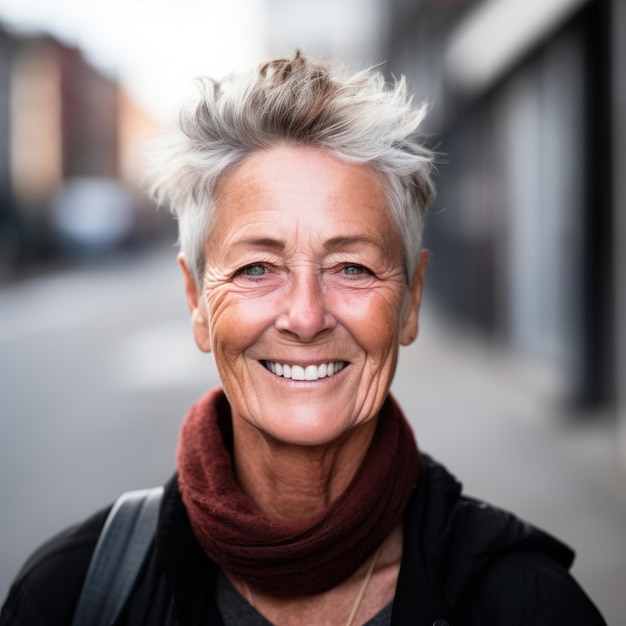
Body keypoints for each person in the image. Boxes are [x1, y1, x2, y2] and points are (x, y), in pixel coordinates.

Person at [0, 51, 605, 626]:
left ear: (411, 301)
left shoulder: (528, 603)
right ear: (197, 303)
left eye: (353, 268)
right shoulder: (71, 596)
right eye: (257, 269)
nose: (306, 317)